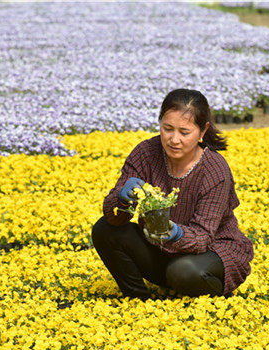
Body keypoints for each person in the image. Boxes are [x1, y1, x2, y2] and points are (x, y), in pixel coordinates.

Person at [91, 88, 253, 298]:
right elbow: (115, 217)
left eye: (184, 132)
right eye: (167, 129)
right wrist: (122, 198)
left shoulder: (214, 170)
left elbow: (203, 238)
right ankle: (137, 300)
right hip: (162, 251)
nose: (174, 139)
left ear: (203, 131)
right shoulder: (146, 153)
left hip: (211, 252)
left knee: (182, 272)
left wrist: (175, 233)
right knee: (104, 229)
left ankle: (217, 298)